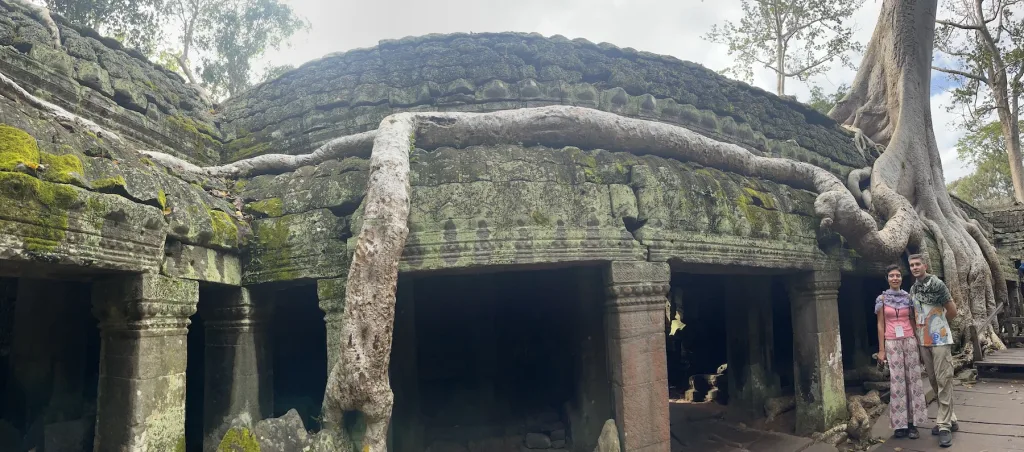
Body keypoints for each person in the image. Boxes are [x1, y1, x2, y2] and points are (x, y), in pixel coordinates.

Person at [908, 253, 959, 448]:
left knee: (943, 378)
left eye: (917, 264)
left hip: (939, 339)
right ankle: (950, 418)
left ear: (925, 265)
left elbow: (952, 310)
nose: (914, 267)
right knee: (933, 380)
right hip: (923, 341)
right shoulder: (913, 288)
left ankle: (944, 425)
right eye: (911, 265)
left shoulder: (937, 284)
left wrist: (938, 326)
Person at [875, 264, 927, 440]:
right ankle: (899, 425)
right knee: (897, 383)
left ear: (901, 278)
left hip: (909, 340)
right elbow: (880, 324)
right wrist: (881, 349)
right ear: (887, 279)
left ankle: (912, 423)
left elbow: (912, 320)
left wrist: (919, 343)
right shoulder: (882, 299)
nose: (895, 278)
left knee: (912, 379)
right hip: (891, 342)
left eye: (898, 275)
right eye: (891, 276)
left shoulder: (908, 298)